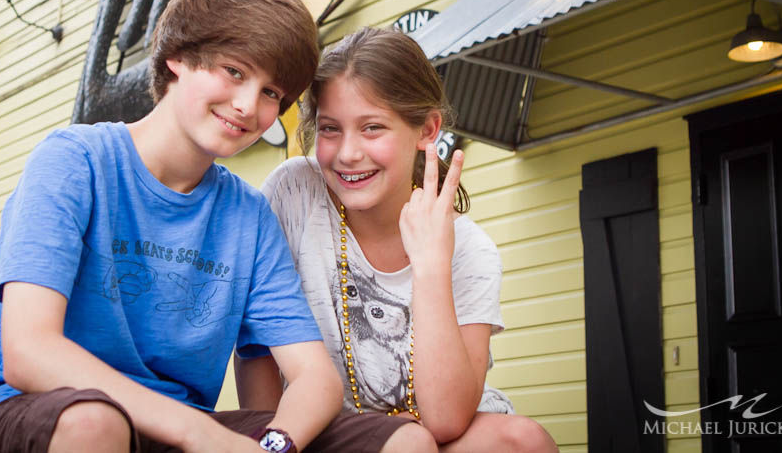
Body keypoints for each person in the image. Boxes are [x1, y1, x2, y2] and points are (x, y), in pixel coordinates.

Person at [0, 0, 433, 453]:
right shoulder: (76, 161)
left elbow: (315, 378)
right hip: (28, 411)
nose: (247, 106)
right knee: (95, 424)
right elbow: (29, 351)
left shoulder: (248, 215)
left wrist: (274, 445)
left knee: (405, 440)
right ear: (177, 58)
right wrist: (199, 433)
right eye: (234, 71)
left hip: (181, 429)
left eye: (271, 93)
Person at [238, 27, 558, 452]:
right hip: (322, 432)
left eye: (372, 128)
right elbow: (256, 339)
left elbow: (446, 420)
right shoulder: (295, 193)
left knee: (524, 441)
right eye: (330, 129)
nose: (348, 153)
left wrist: (430, 264)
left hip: (438, 434)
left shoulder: (470, 250)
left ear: (427, 129)